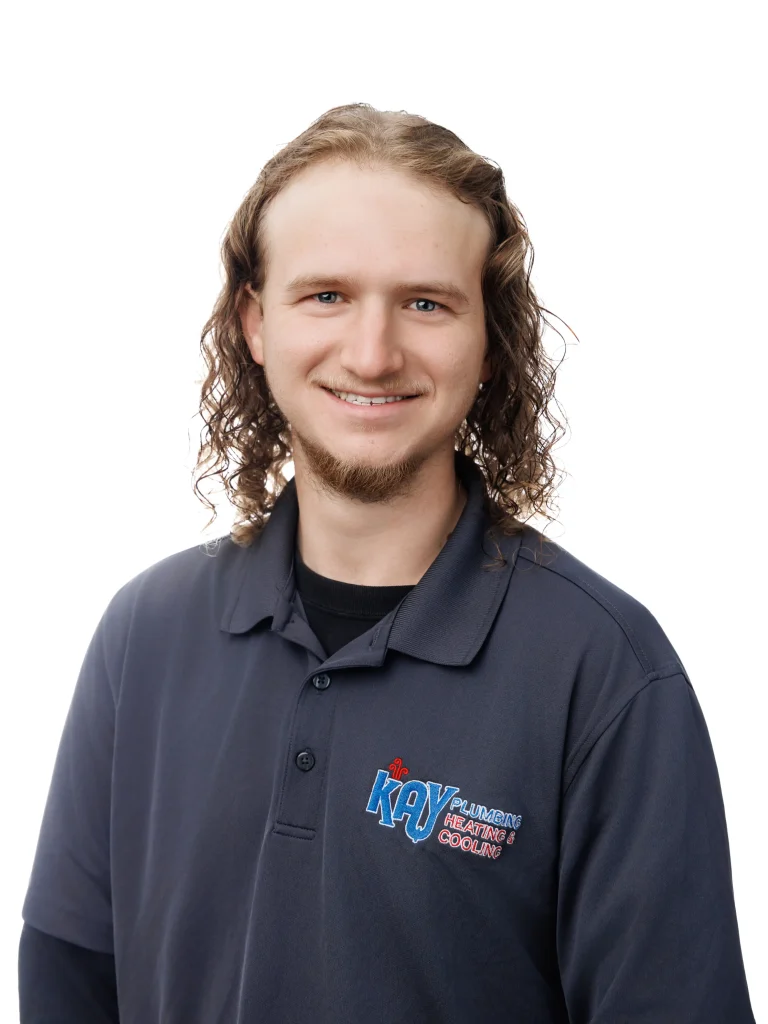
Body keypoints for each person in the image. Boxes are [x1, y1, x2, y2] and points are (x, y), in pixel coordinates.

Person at [18, 102, 756, 1023]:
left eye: (425, 303)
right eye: (326, 295)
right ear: (256, 324)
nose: (372, 356)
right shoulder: (145, 635)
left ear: (491, 342)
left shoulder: (604, 672)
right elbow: (68, 979)